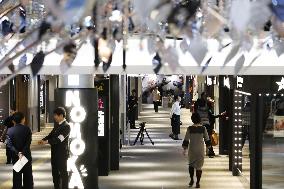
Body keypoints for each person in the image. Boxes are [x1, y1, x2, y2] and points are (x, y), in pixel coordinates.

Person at [39, 107, 70, 189]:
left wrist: (47, 142)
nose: (54, 117)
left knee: (63, 174)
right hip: (54, 153)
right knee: (55, 174)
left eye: (56, 115)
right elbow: (51, 135)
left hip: (62, 154)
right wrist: (43, 139)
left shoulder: (66, 126)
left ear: (61, 115)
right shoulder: (57, 125)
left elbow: (59, 139)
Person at [182, 113, 211, 188]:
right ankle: (198, 182)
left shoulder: (190, 128)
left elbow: (186, 139)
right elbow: (207, 139)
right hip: (200, 149)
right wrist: (208, 149)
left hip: (192, 149)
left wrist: (184, 149)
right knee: (199, 167)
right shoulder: (203, 128)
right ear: (199, 119)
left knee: (191, 165)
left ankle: (191, 179)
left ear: (192, 120)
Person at [6, 112, 34, 189]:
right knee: (28, 178)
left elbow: (9, 145)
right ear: (23, 119)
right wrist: (22, 153)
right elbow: (28, 143)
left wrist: (17, 153)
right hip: (26, 157)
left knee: (17, 178)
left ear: (13, 121)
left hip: (15, 157)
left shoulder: (10, 131)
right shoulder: (27, 129)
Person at [194, 92, 215, 157]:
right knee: (207, 138)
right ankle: (209, 151)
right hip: (206, 123)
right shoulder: (208, 104)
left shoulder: (197, 104)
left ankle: (198, 152)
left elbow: (195, 113)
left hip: (199, 123)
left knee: (198, 139)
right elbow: (211, 113)